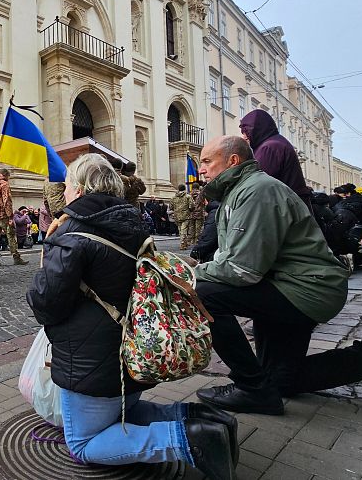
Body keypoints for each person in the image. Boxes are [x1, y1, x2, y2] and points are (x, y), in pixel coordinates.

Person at [27, 153, 236, 479]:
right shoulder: (133, 227)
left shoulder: (71, 238)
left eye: (67, 186)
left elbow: (45, 303)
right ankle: (202, 418)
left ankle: (188, 439)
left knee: (83, 443)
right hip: (135, 353)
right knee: (129, 409)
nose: (64, 192)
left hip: (90, 365)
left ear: (80, 189)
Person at [191, 136, 362, 414]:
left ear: (233, 161)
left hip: (305, 290)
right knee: (281, 382)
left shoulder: (257, 191)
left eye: (206, 161)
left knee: (202, 294)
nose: (201, 169)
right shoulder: (240, 192)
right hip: (287, 285)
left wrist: (190, 274)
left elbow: (242, 270)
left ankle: (251, 388)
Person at [238, 109, 310, 207]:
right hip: (291, 206)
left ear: (258, 129)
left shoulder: (269, 148)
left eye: (246, 132)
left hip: (285, 210)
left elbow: (256, 183)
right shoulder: (275, 143)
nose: (244, 137)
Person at [0, 169, 28, 267]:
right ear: (6, 175)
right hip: (3, 214)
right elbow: (7, 201)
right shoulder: (4, 184)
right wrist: (10, 216)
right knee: (10, 235)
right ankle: (16, 257)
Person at [172, 184, 192, 249]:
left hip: (177, 216)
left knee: (180, 230)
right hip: (186, 215)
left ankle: (184, 242)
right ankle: (183, 243)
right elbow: (192, 206)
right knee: (184, 230)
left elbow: (171, 206)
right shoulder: (188, 196)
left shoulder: (174, 197)